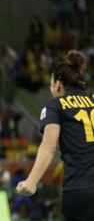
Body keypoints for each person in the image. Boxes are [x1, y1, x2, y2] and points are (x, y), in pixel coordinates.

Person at [16, 50, 94, 220]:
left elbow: (49, 146)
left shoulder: (55, 106)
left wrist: (32, 181)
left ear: (58, 84)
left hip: (79, 191)